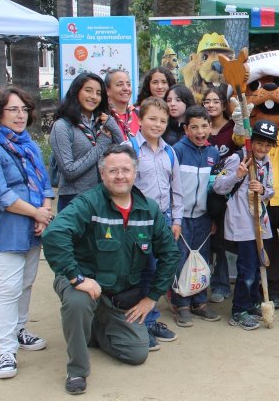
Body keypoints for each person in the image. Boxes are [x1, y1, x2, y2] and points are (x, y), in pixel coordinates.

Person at [42, 145, 181, 395]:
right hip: (83, 282)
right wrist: (76, 277)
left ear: (135, 173)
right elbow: (54, 233)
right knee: (78, 302)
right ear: (102, 174)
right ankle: (77, 369)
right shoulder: (88, 202)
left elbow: (170, 254)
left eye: (126, 170)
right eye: (113, 170)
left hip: (118, 294)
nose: (120, 176)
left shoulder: (149, 209)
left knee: (137, 353)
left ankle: (94, 329)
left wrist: (151, 298)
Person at [0, 86, 55, 379]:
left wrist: (43, 212)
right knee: (7, 290)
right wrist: (37, 213)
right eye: (13, 110)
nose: (21, 116)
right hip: (6, 230)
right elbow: (0, 195)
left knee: (26, 283)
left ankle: (20, 331)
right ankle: (6, 350)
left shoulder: (28, 144)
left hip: (33, 227)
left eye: (24, 110)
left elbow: (45, 182)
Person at [128, 97, 188, 349]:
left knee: (157, 269)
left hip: (163, 220)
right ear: (140, 120)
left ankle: (151, 319)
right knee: (139, 271)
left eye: (163, 120)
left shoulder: (169, 151)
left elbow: (177, 190)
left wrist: (176, 220)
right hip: (136, 221)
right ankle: (138, 322)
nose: (158, 124)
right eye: (152, 118)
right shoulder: (128, 148)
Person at [213, 120, 277, 331]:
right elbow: (219, 187)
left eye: (268, 145)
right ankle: (239, 310)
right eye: (259, 143)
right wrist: (238, 175)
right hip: (241, 223)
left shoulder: (267, 161)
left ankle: (251, 303)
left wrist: (263, 190)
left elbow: (270, 190)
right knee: (247, 269)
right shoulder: (237, 158)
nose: (263, 148)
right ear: (251, 141)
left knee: (258, 267)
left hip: (259, 222)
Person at [170, 105, 220, 326]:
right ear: (185, 129)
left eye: (204, 126)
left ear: (210, 126)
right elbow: (172, 186)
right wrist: (175, 218)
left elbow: (214, 188)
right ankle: (181, 304)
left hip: (203, 217)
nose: (200, 132)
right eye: (194, 127)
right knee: (181, 259)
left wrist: (213, 218)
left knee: (202, 260)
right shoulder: (176, 151)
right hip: (180, 218)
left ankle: (200, 302)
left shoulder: (213, 153)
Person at [50, 72, 124, 212]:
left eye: (98, 93)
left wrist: (112, 123)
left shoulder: (99, 124)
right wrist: (101, 144)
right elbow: (69, 171)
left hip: (103, 196)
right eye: (88, 90)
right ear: (76, 92)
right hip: (74, 199)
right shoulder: (62, 126)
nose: (93, 97)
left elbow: (123, 150)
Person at [203, 87, 239, 303]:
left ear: (224, 105)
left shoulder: (233, 128)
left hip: (226, 192)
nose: (211, 105)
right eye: (207, 101)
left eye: (215, 101)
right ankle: (198, 283)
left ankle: (221, 284)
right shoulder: (199, 127)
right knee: (205, 237)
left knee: (222, 240)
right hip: (201, 192)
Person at [106, 70, 139, 139]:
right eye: (120, 84)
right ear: (107, 90)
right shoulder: (103, 117)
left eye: (128, 84)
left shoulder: (138, 115)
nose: (126, 88)